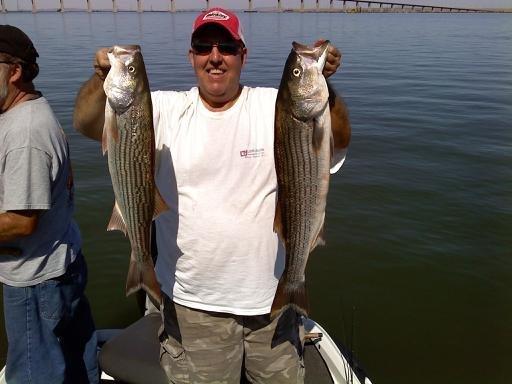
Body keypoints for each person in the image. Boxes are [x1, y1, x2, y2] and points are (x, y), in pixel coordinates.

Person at [74, 7, 350, 384]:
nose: (215, 56)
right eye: (204, 46)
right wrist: (101, 76)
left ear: (243, 55)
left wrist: (326, 86)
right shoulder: (164, 110)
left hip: (273, 303)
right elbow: (87, 123)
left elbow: (340, 138)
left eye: (227, 47)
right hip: (193, 307)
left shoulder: (275, 106)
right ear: (192, 56)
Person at [0, 25, 99, 384]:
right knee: (77, 366)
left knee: (33, 375)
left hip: (35, 282)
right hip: (61, 265)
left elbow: (22, 221)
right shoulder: (27, 113)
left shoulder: (25, 133)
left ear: (15, 72)